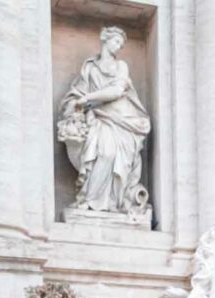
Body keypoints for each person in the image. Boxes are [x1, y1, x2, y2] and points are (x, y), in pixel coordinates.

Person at [57, 25, 151, 218]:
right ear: (105, 40)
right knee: (101, 153)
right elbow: (78, 92)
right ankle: (89, 201)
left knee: (110, 155)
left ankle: (112, 203)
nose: (118, 46)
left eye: (121, 43)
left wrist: (88, 98)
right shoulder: (90, 67)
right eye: (116, 41)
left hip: (121, 119)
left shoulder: (121, 66)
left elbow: (117, 91)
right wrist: (76, 103)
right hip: (97, 117)